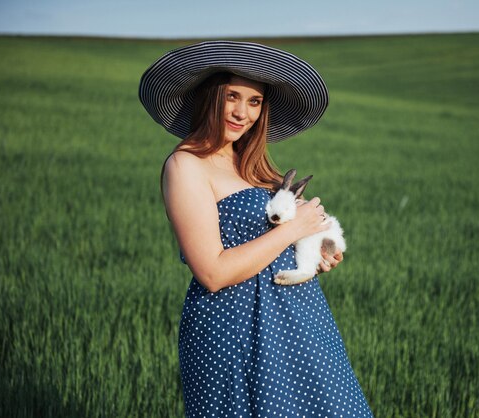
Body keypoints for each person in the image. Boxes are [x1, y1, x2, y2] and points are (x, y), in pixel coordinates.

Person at [139, 41, 373, 417]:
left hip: (299, 321)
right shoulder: (186, 167)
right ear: (211, 97)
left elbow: (272, 245)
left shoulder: (254, 167)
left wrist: (312, 254)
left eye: (254, 101)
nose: (241, 112)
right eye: (232, 96)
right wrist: (291, 231)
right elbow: (212, 272)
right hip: (234, 327)